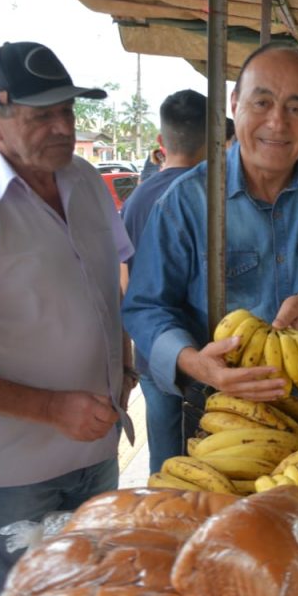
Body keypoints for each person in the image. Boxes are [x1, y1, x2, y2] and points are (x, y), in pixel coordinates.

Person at [0, 42, 134, 596]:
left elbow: (111, 280)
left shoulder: (84, 181)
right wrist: (48, 409)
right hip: (7, 474)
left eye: (68, 111)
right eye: (43, 116)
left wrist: (126, 360)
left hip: (95, 449)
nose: (64, 127)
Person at [122, 43, 298, 426]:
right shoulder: (187, 201)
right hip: (222, 409)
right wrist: (197, 364)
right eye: (262, 103)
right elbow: (145, 307)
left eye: (296, 108)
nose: (278, 123)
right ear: (234, 103)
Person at [120, 89, 207, 473]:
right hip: (207, 357)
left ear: (161, 142)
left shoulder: (136, 200)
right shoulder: (212, 196)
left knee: (166, 464)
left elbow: (123, 282)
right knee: (213, 464)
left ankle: (165, 527)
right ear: (214, 140)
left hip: (153, 355)